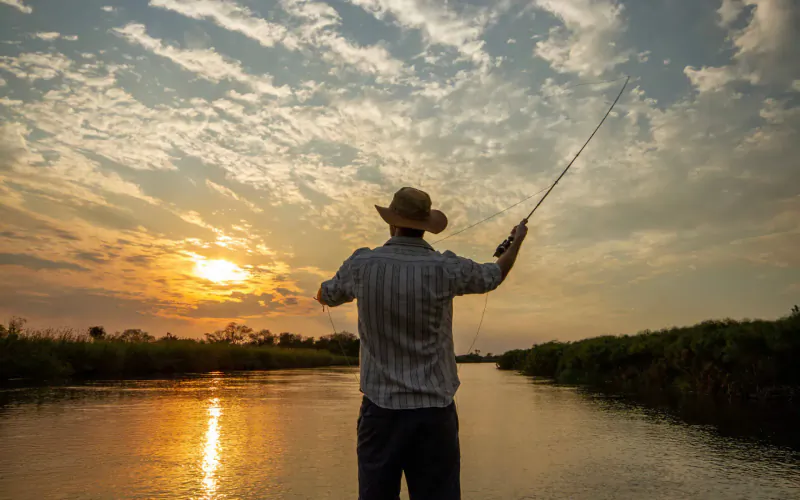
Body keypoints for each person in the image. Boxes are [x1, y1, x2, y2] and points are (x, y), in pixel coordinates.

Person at [316, 186, 528, 500]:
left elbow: (327, 294)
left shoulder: (361, 264)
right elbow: (494, 274)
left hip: (379, 414)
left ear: (392, 222)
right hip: (434, 416)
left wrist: (322, 294)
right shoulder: (446, 268)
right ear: (426, 225)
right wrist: (517, 241)